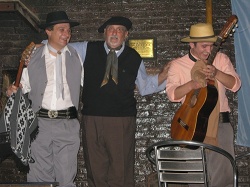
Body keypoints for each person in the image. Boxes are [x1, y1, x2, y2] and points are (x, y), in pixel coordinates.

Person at [65, 16, 169, 187]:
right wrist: (40, 45)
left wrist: (164, 76)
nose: (114, 33)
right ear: (104, 33)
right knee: (95, 169)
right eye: (110, 29)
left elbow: (145, 87)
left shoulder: (134, 57)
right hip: (92, 119)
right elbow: (60, 46)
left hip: (121, 120)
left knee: (120, 171)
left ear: (126, 35)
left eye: (119, 29)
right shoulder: (87, 48)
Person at [6, 11, 84, 187]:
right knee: (39, 178)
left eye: (69, 31)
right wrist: (12, 90)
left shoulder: (76, 56)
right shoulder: (33, 58)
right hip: (39, 124)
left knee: (66, 178)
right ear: (48, 31)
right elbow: (22, 86)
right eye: (61, 29)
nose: (67, 34)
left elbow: (88, 83)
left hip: (67, 124)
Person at [166, 23, 241, 187]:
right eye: (203, 46)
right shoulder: (178, 65)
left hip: (220, 124)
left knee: (223, 177)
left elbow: (235, 85)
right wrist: (192, 85)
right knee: (194, 176)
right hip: (191, 125)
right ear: (191, 44)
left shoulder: (221, 59)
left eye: (212, 45)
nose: (208, 50)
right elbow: (172, 94)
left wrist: (217, 73)